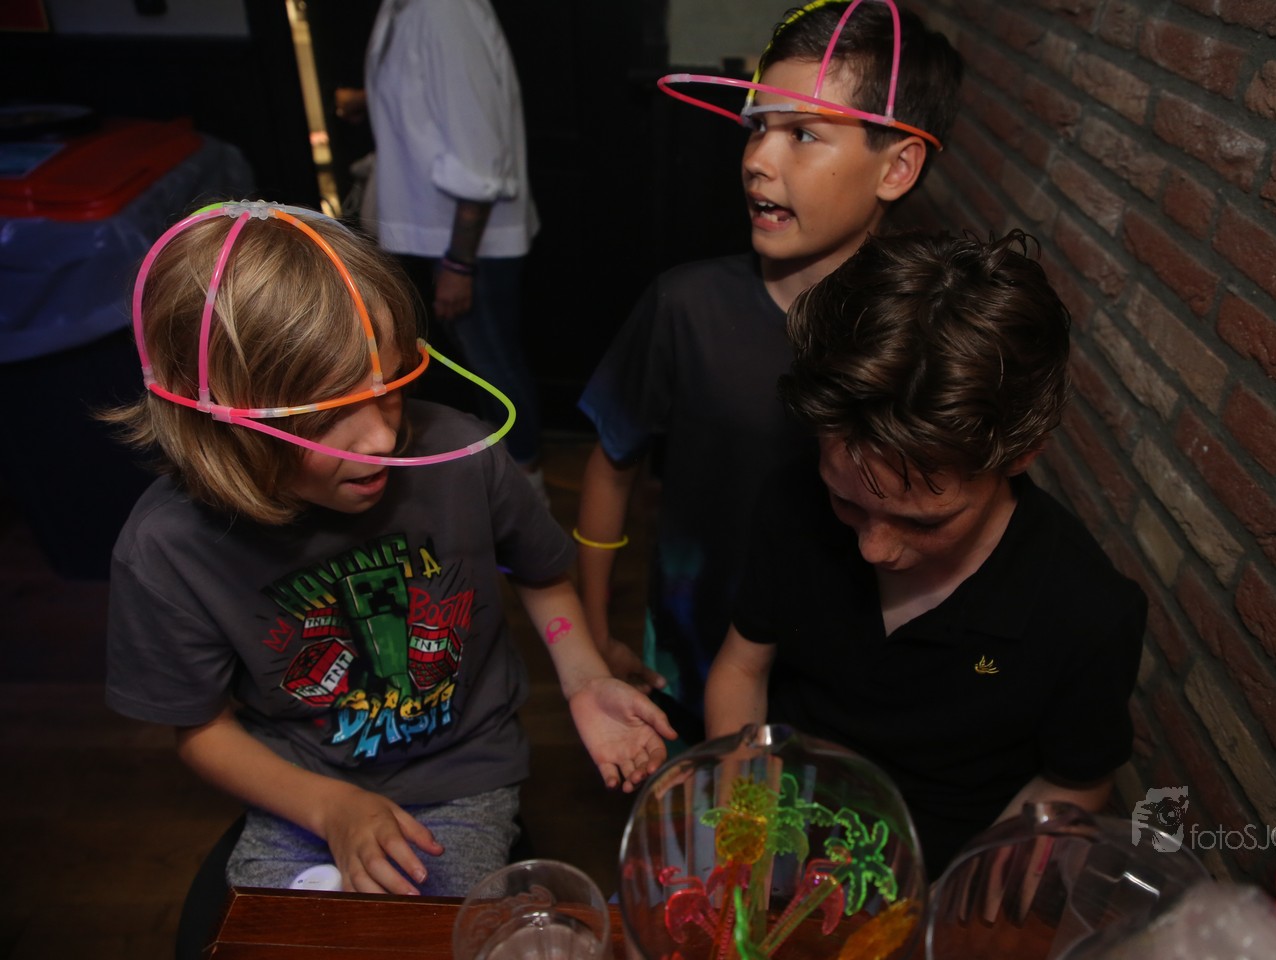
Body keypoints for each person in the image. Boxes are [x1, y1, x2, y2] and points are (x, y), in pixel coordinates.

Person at [103, 203, 675, 898]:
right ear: (223, 422)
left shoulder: (464, 456)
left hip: (464, 775)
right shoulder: (165, 550)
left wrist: (583, 678)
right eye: (328, 413)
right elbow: (201, 730)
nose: (379, 438)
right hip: (297, 783)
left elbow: (541, 574)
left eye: (391, 387)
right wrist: (329, 807)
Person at [575, 0, 965, 742]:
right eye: (758, 127)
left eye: (803, 134)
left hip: (844, 690)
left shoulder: (927, 337)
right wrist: (594, 638)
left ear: (898, 166)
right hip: (688, 662)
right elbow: (613, 463)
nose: (757, 159)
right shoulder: (686, 306)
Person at [705, 230, 1147, 878]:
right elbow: (742, 669)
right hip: (789, 836)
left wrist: (962, 893)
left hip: (940, 875)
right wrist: (748, 824)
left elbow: (1073, 782)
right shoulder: (792, 502)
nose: (874, 548)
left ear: (1019, 454)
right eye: (847, 502)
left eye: (923, 521)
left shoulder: (1086, 613)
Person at [362, 0, 545, 486]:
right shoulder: (405, 9)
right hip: (436, 233)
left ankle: (529, 491)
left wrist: (460, 264)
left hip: (469, 242)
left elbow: (478, 153)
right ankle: (506, 482)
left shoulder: (444, 11)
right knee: (481, 371)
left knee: (496, 371)